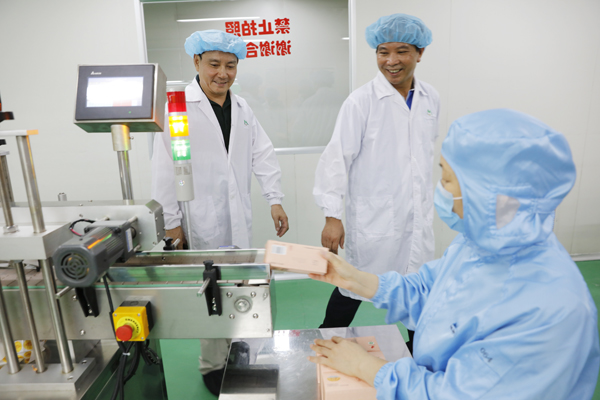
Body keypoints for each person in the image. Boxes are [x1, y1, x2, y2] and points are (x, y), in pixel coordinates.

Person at [308, 109, 600, 399]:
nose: (441, 191)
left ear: (488, 194)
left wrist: (367, 367)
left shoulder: (551, 312)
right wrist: (354, 279)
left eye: (447, 180)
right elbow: (431, 294)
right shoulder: (478, 246)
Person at [151, 29, 289, 395]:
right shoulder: (178, 107)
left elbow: (262, 153)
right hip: (199, 219)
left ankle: (238, 351)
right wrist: (172, 224)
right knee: (210, 289)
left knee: (239, 283)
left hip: (235, 217)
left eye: (230, 65)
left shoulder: (241, 108)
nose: (222, 73)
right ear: (196, 62)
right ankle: (212, 364)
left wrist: (274, 198)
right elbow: (164, 168)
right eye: (214, 64)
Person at [313, 13, 439, 351]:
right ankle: (325, 344)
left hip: (416, 216)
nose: (391, 61)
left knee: (418, 288)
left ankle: (419, 352)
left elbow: (423, 155)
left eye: (402, 51)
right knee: (352, 285)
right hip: (375, 216)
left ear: (420, 53)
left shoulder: (430, 99)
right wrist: (332, 216)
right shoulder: (361, 101)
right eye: (383, 52)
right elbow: (336, 159)